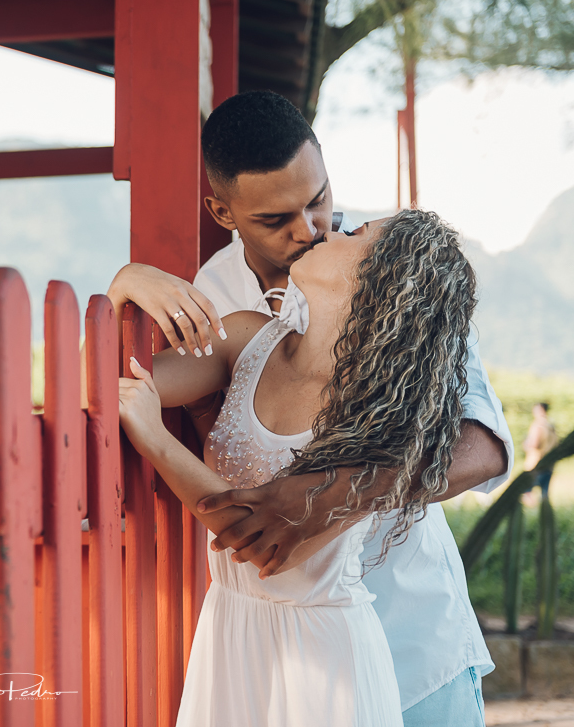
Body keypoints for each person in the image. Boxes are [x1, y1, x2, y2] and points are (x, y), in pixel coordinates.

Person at [108, 91, 513, 725]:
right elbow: (127, 388)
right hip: (266, 650)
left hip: (413, 634)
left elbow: (482, 446)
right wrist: (125, 282)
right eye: (276, 219)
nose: (311, 229)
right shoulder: (217, 297)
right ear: (223, 212)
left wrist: (322, 497)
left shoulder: (398, 278)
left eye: (319, 198)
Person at [524, 402, 559, 500]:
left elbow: (534, 444)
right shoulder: (551, 425)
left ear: (541, 410)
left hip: (536, 463)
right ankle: (545, 509)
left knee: (527, 490)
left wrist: (525, 444)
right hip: (549, 463)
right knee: (544, 493)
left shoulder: (538, 425)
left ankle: (528, 508)